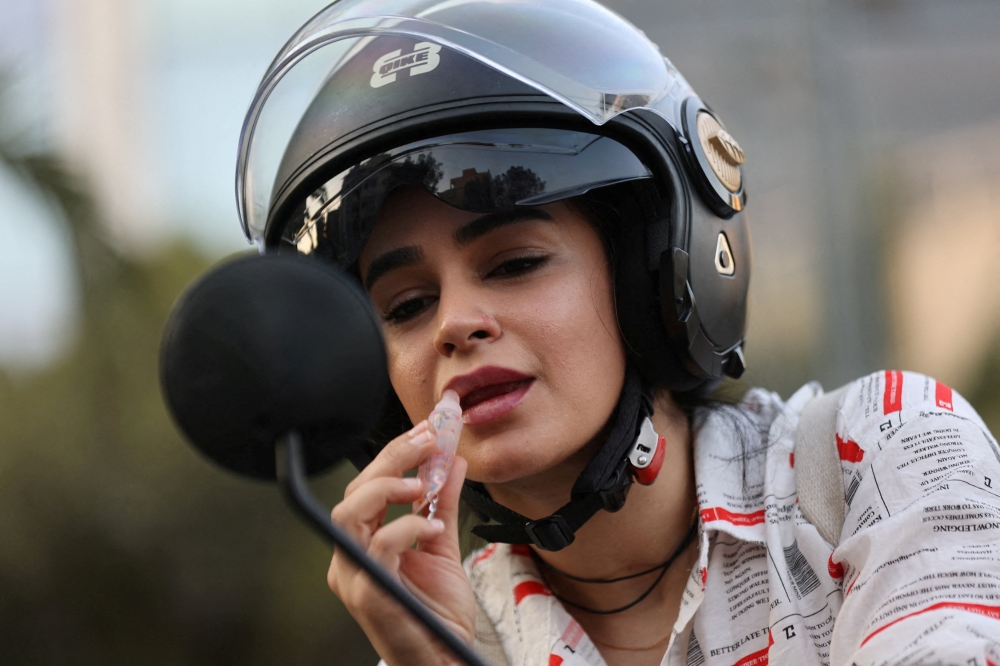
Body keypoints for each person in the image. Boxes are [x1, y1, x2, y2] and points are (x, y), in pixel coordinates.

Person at [234, 1, 1000, 664]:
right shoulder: (440, 635)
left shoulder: (880, 458)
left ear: (654, 279)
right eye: (405, 307)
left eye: (516, 262)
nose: (455, 324)